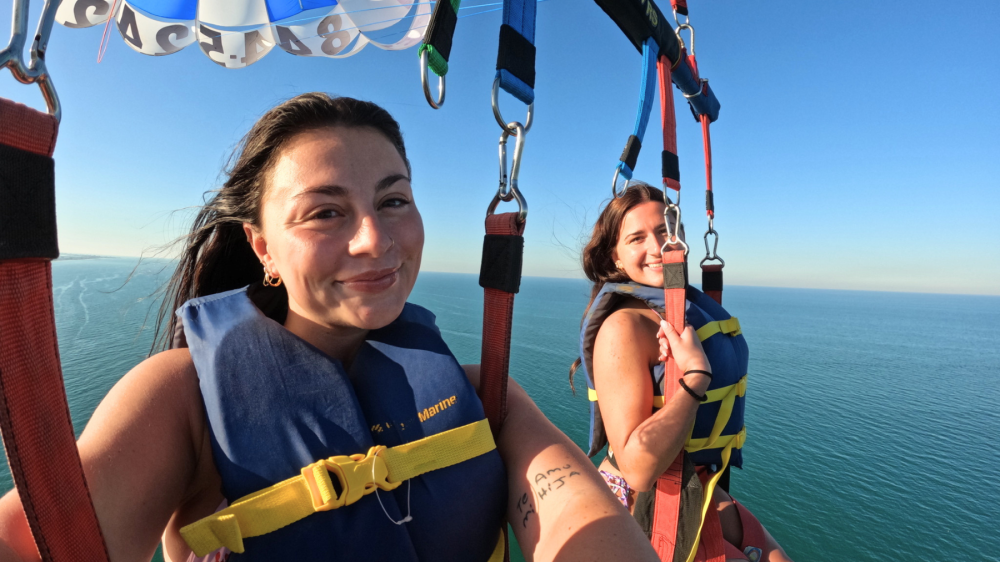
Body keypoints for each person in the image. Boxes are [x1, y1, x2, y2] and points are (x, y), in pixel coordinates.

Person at [0, 94, 659, 562]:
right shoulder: (182, 402)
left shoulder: (484, 396)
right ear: (262, 249)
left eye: (393, 200)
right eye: (324, 213)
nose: (375, 239)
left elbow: (579, 518)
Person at [571, 183, 792, 562]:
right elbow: (638, 468)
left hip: (693, 486)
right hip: (642, 502)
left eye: (666, 232)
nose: (658, 247)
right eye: (637, 238)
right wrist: (694, 378)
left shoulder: (679, 311)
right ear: (617, 258)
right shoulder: (623, 328)